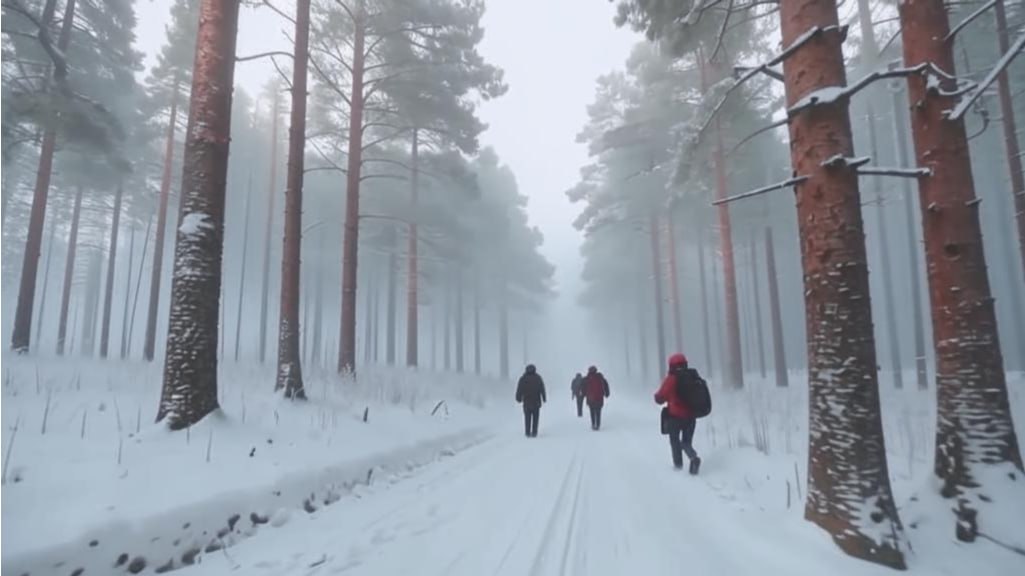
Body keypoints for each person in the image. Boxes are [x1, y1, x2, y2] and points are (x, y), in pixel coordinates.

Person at [655, 353, 702, 474]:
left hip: (675, 417)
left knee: (675, 441)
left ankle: (678, 466)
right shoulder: (693, 376)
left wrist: (658, 398)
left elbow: (660, 397)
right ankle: (693, 457)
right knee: (686, 442)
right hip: (691, 416)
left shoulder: (671, 379)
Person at [515, 364, 546, 437]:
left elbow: (519, 389)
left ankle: (527, 432)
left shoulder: (523, 378)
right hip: (536, 402)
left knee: (527, 417)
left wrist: (518, 398)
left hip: (527, 402)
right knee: (535, 418)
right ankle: (534, 432)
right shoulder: (538, 378)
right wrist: (544, 398)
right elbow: (542, 388)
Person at [583, 366, 610, 430]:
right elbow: (606, 386)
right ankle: (597, 425)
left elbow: (584, 388)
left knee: (592, 412)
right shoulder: (600, 377)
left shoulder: (587, 378)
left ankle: (593, 424)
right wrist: (607, 394)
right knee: (598, 412)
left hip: (590, 399)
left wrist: (584, 395)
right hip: (599, 398)